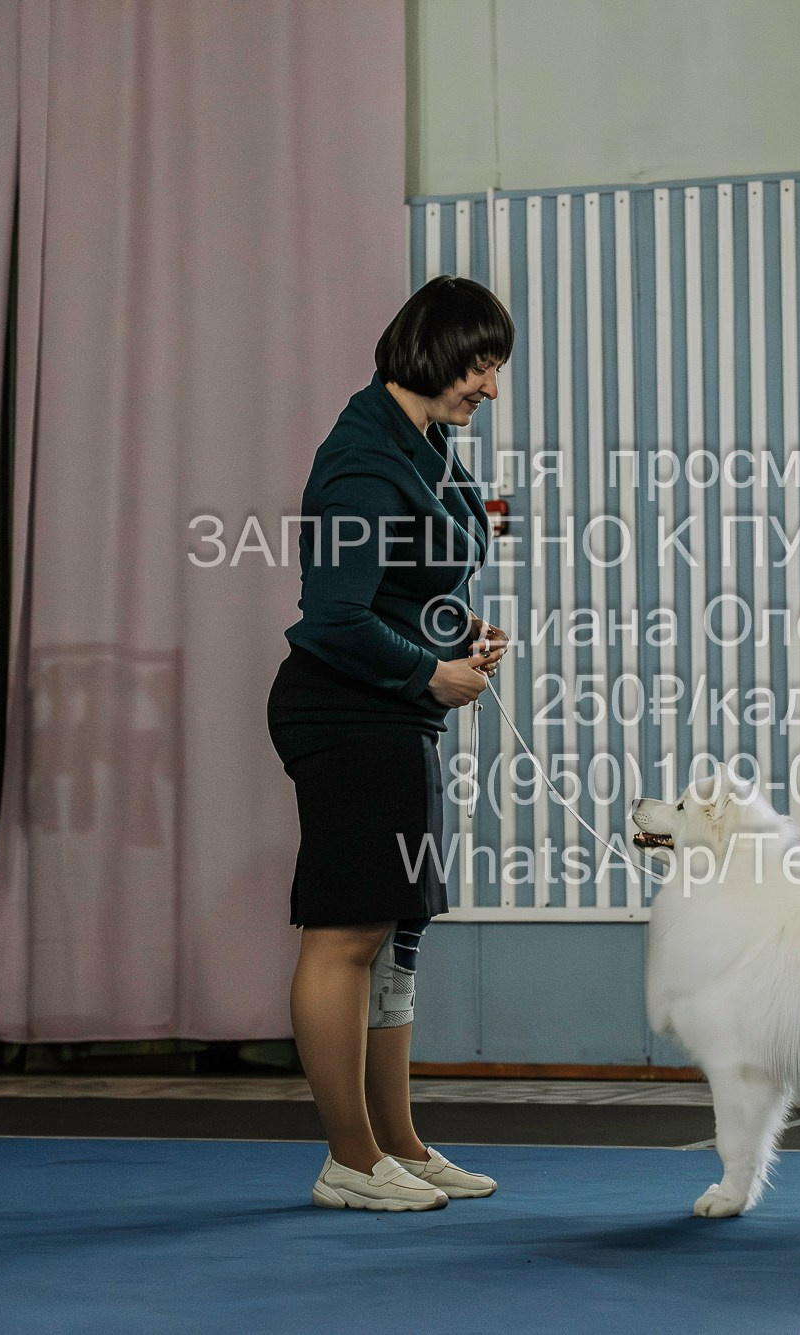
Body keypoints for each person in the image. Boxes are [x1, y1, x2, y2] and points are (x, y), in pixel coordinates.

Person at [267, 275, 513, 1211]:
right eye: (482, 364)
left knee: (399, 934)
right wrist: (426, 673)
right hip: (342, 714)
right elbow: (331, 620)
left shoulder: (430, 445)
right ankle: (349, 1160)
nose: (491, 387)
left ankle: (398, 1143)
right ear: (434, 351)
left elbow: (404, 593)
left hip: (395, 714)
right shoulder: (365, 460)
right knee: (349, 931)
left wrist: (458, 636)